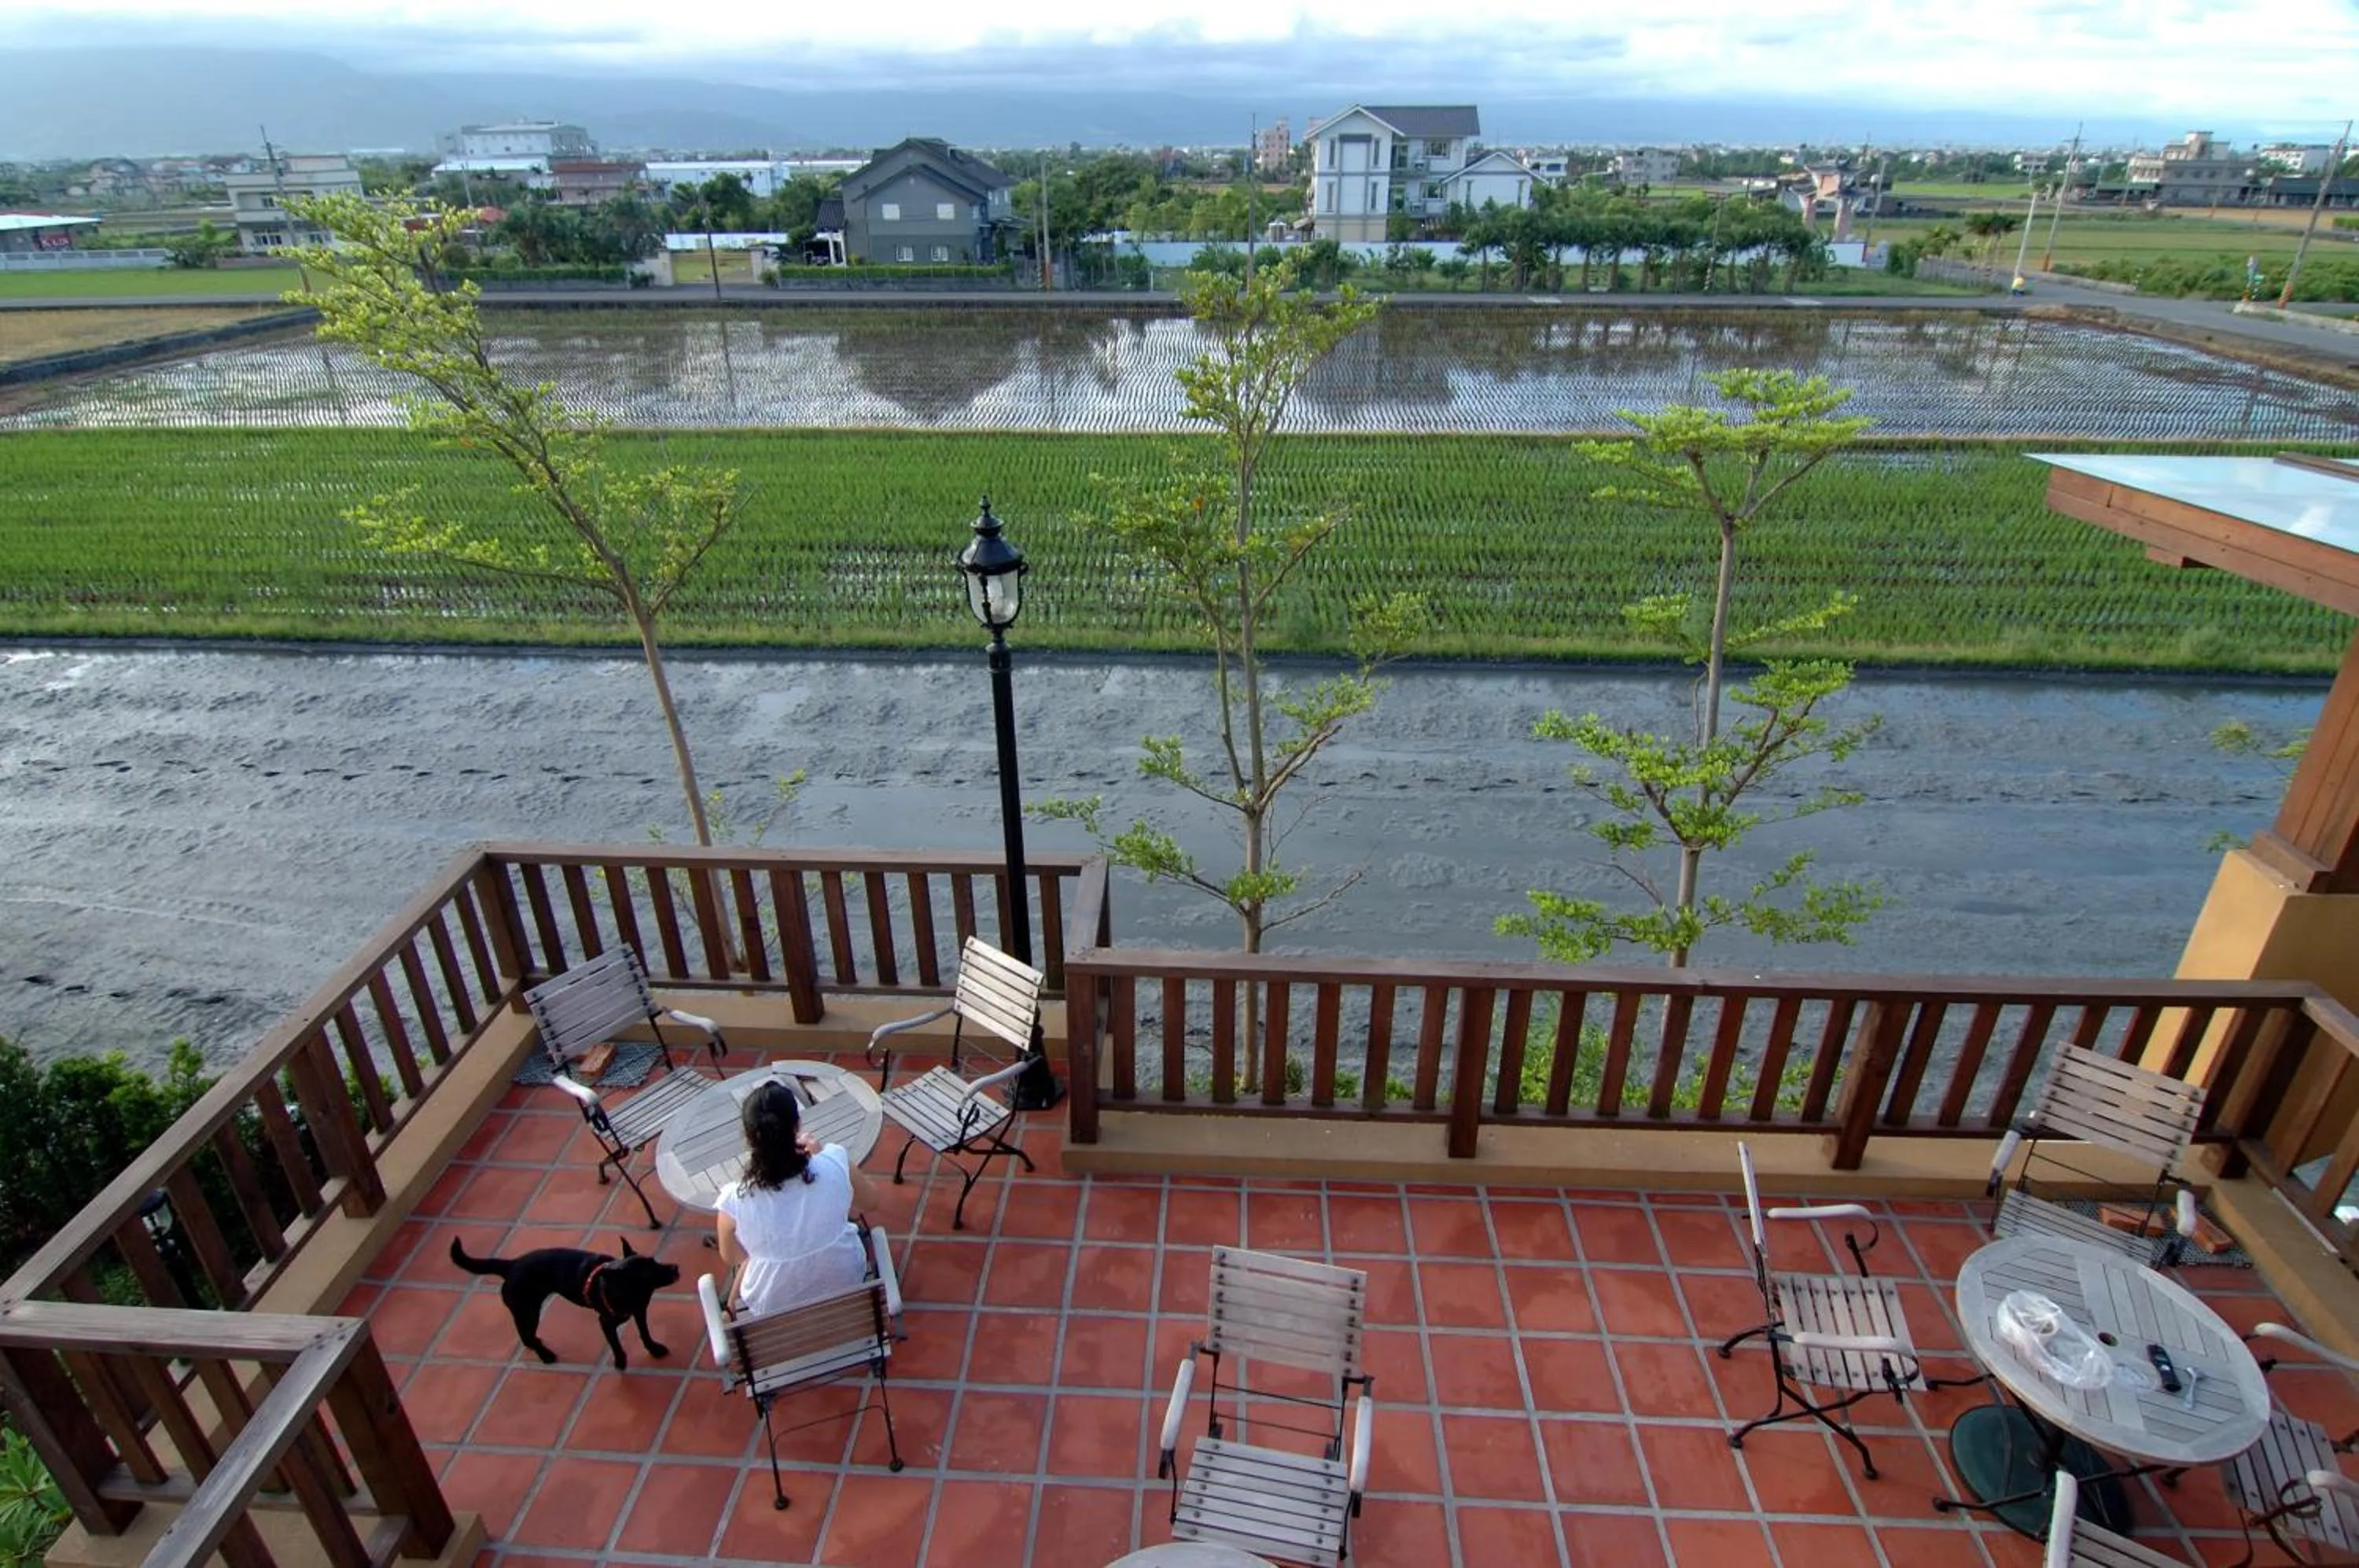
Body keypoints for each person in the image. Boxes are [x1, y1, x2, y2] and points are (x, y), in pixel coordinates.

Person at [714, 1080, 880, 1315]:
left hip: (771, 1308)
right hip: (845, 1283)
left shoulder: (734, 1199)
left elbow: (731, 1257)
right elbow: (871, 1202)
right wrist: (823, 1155)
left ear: (750, 1139)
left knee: (746, 1269)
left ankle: (728, 1311)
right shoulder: (835, 1161)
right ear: (797, 1125)